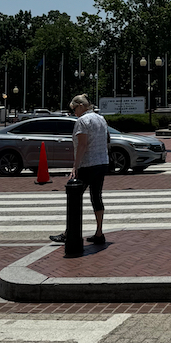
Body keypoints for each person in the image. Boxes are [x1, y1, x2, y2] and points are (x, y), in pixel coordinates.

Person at [50, 95, 110, 246]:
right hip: (101, 162)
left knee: (74, 197)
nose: (74, 112)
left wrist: (75, 166)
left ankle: (69, 233)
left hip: (87, 163)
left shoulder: (83, 121)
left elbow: (82, 145)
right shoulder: (101, 119)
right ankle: (99, 232)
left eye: (74, 108)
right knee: (96, 196)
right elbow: (107, 139)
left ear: (81, 106)